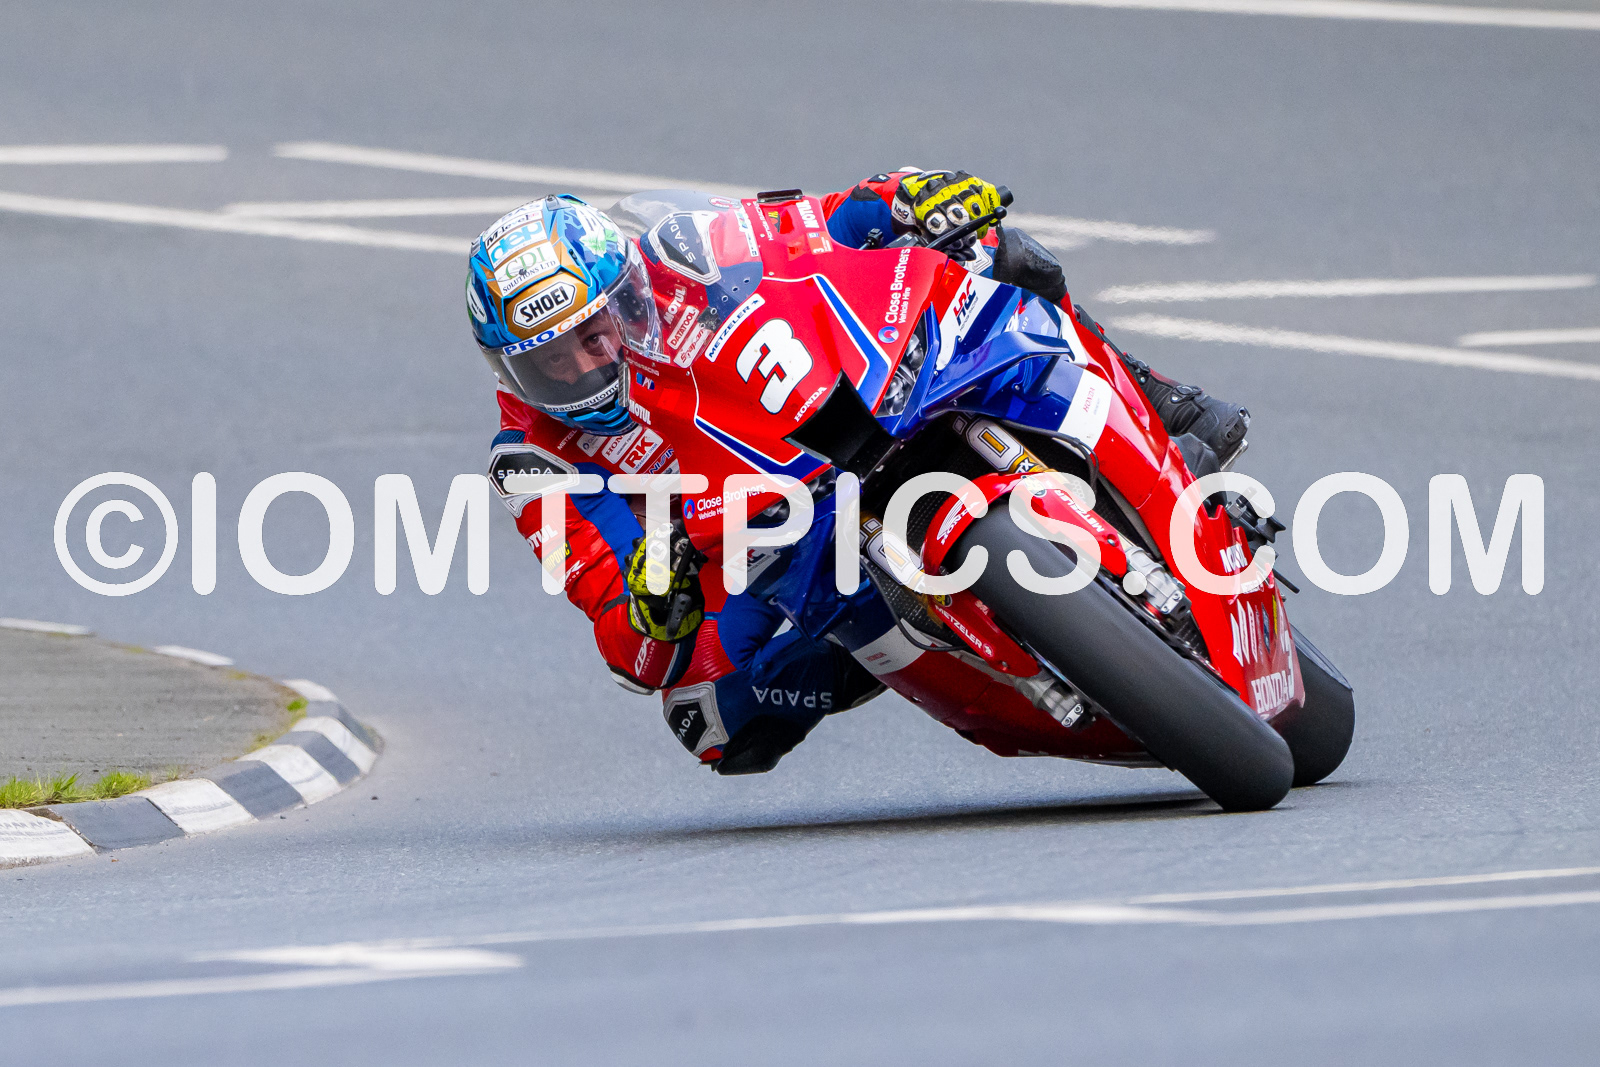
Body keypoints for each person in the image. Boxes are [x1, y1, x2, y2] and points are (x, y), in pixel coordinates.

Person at [466, 170, 1250, 775]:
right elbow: (629, 648)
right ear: (510, 369)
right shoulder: (533, 460)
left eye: (593, 333)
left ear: (623, 293)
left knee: (991, 248)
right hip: (753, 539)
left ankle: (1161, 400)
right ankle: (872, 647)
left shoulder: (682, 256)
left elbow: (821, 223)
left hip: (840, 403)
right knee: (711, 717)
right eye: (550, 362)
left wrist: (910, 197)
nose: (587, 367)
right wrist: (652, 602)